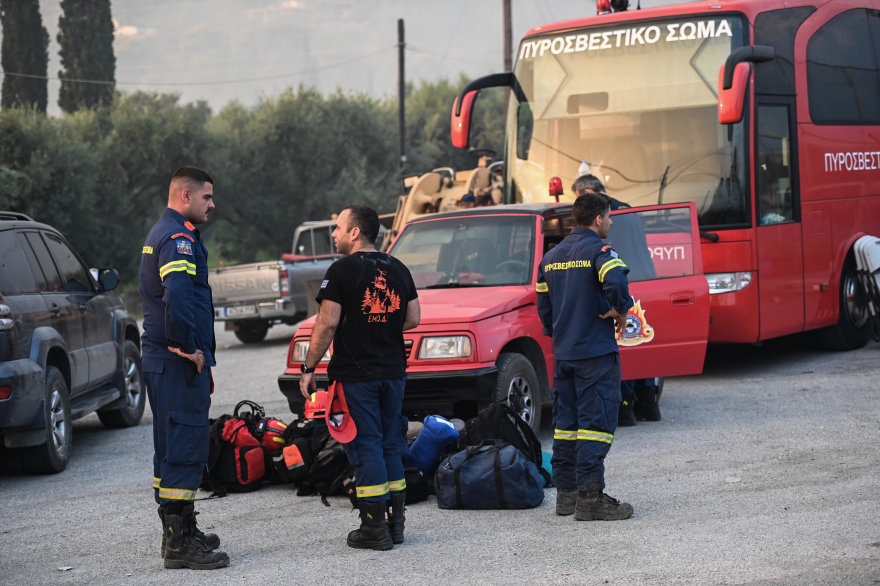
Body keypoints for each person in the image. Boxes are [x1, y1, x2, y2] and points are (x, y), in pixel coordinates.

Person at [299, 205, 420, 551]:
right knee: (391, 444)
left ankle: (373, 528)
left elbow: (327, 323)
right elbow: (412, 317)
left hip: (357, 377)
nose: (334, 234)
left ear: (355, 232)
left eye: (338, 228)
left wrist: (308, 368)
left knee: (365, 444)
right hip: (394, 373)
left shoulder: (341, 270)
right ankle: (396, 525)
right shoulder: (398, 267)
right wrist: (381, 326)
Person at [140, 166, 230, 569]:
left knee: (171, 447)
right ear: (186, 195)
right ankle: (179, 548)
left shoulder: (168, 231)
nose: (212, 204)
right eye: (207, 197)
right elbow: (176, 295)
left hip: (164, 362)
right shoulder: (177, 238)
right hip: (175, 362)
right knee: (185, 447)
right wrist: (188, 347)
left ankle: (181, 531)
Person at [537, 191, 634, 521]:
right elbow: (617, 279)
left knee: (566, 425)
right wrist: (620, 310)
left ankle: (566, 497)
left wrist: (558, 332)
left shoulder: (550, 257)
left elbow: (544, 306)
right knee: (596, 424)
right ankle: (590, 499)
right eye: (608, 216)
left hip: (564, 354)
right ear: (597, 219)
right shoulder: (599, 250)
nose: (611, 221)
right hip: (595, 352)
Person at [572, 174, 661, 424]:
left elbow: (604, 256)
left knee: (624, 346)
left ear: (588, 193)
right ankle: (649, 404)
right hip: (647, 278)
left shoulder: (607, 216)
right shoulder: (627, 210)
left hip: (622, 283)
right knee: (641, 341)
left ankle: (625, 408)